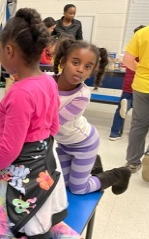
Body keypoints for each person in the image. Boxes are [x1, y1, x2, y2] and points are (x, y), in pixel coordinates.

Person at [0, 8, 118, 239]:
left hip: (21, 174)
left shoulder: (21, 92)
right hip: (45, 164)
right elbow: (51, 128)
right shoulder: (46, 83)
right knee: (40, 216)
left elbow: (7, 152)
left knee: (4, 238)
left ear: (9, 50)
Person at [52, 38, 132, 195]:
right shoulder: (46, 80)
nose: (80, 69)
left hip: (84, 144)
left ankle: (119, 174)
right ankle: (93, 163)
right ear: (62, 62)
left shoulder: (81, 96)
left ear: (92, 72)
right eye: (75, 62)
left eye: (87, 66)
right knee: (63, 183)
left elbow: (53, 123)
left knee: (78, 189)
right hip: (64, 143)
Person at [123, 24, 149, 182]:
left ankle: (133, 163)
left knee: (138, 125)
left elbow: (127, 60)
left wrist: (141, 70)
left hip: (141, 85)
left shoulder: (143, 33)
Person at [109, 25, 146, 141]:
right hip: (141, 84)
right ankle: (137, 135)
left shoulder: (132, 50)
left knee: (121, 109)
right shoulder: (147, 50)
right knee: (142, 112)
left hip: (128, 84)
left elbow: (125, 63)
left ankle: (114, 133)